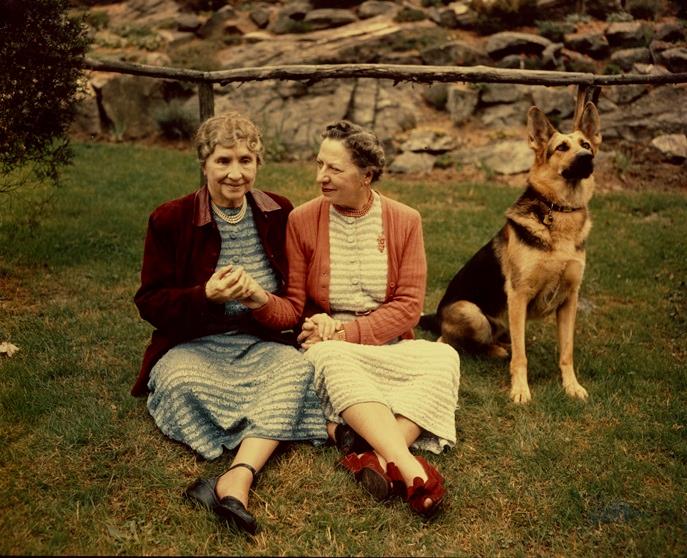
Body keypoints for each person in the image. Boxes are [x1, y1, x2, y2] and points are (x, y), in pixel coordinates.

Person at [239, 120, 460, 518]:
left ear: (367, 175)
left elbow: (410, 306)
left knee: (445, 358)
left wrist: (347, 330)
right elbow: (295, 304)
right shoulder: (302, 220)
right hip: (332, 350)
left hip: (388, 344)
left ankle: (375, 457)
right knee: (329, 356)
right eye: (319, 164)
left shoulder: (405, 220)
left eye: (334, 169)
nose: (321, 177)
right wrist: (295, 315)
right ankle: (409, 467)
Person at [132, 111, 328, 535]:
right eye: (223, 161)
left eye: (245, 160)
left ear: (258, 163)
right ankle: (273, 428)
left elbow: (296, 291)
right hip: (193, 346)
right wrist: (204, 295)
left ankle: (236, 475)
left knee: (300, 370)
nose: (235, 173)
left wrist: (267, 302)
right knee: (179, 383)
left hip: (261, 343)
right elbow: (150, 303)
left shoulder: (279, 212)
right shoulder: (170, 219)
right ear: (204, 163)